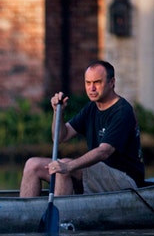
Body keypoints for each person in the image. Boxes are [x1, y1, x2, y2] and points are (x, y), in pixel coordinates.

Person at [20, 60, 145, 198]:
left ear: (111, 82)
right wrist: (58, 112)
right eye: (88, 83)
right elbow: (60, 137)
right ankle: (24, 216)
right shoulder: (91, 108)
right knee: (32, 165)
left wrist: (68, 166)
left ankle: (62, 217)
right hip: (96, 175)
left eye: (97, 82)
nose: (91, 88)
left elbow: (104, 151)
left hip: (125, 180)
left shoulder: (122, 111)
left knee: (65, 167)